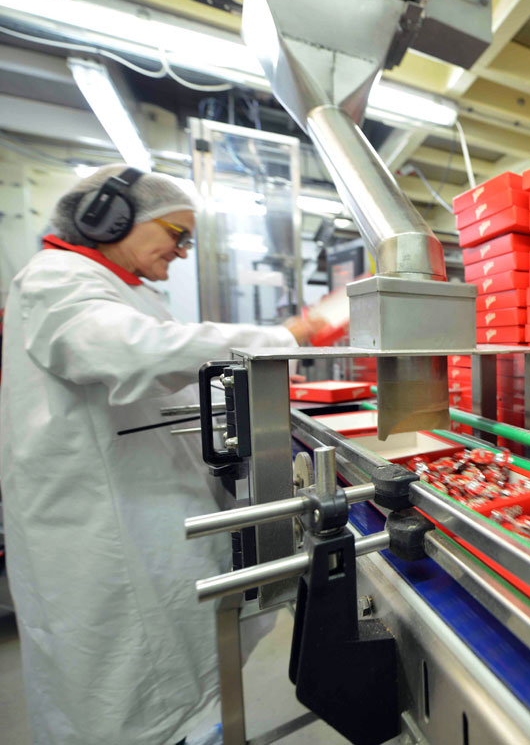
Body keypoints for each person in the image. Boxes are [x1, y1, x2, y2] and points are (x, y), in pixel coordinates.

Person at [0, 165, 326, 745]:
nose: (181, 251)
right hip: (103, 527)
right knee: (131, 689)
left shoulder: (125, 290)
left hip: (147, 504)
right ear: (110, 217)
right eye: (176, 234)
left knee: (181, 673)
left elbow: (172, 377)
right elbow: (139, 356)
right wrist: (288, 335)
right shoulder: (55, 281)